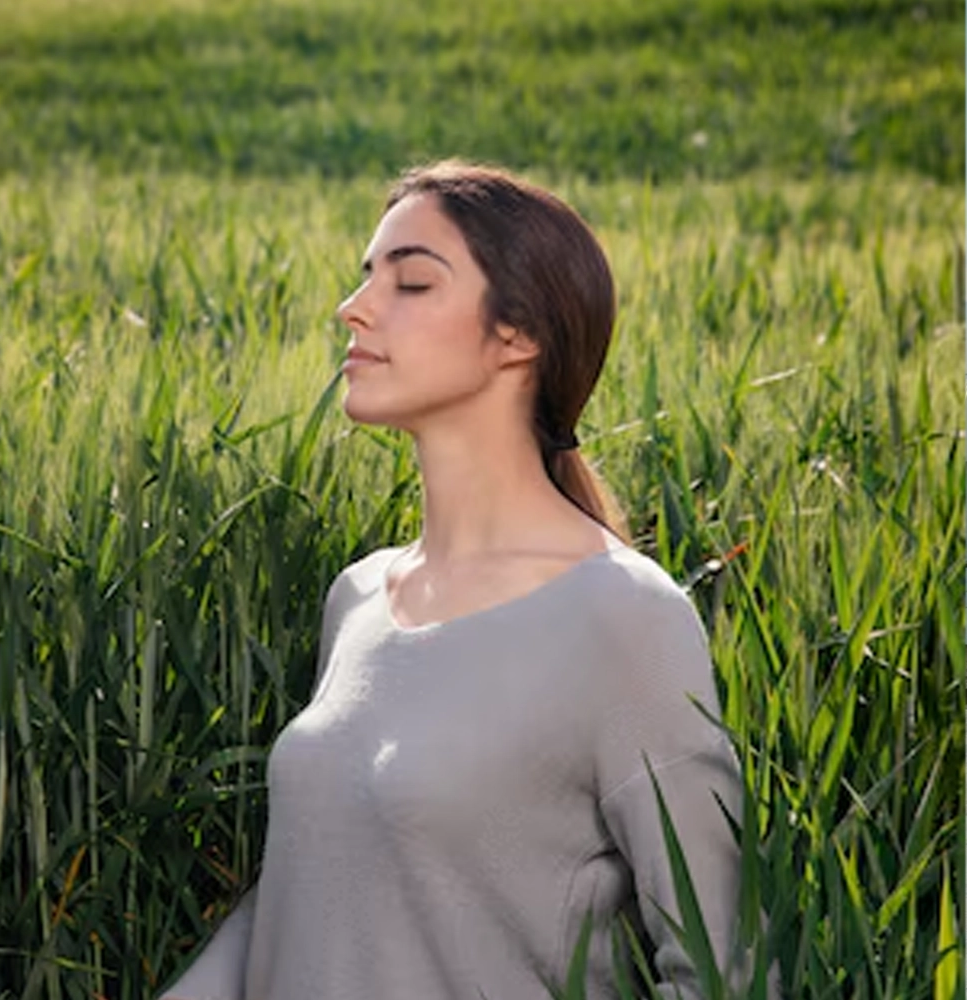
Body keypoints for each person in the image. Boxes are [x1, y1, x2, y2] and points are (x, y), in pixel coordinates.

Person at [160, 161, 745, 1000]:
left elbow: (720, 968)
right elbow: (304, 896)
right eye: (367, 278)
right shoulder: (359, 599)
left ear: (519, 335)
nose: (354, 308)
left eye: (412, 282)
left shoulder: (623, 618)